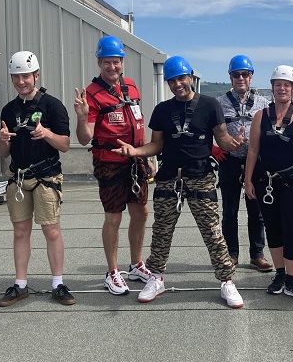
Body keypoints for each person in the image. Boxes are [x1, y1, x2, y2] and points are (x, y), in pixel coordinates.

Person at [115, 56, 248, 309]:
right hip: (169, 178)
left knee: (213, 232)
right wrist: (135, 151)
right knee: (162, 231)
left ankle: (227, 281)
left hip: (201, 176)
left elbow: (222, 140)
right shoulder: (163, 110)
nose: (177, 84)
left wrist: (235, 143)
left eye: (181, 78)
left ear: (190, 78)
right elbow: (156, 144)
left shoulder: (209, 105)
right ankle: (155, 278)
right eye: (172, 80)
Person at [74, 36, 152, 295]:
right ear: (99, 62)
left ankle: (136, 263)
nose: (112, 67)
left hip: (136, 161)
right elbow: (85, 137)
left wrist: (146, 156)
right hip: (110, 164)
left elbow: (138, 124)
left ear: (121, 62)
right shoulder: (92, 94)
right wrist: (83, 116)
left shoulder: (131, 87)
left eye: (116, 62)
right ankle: (112, 271)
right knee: (114, 218)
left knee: (141, 213)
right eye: (106, 62)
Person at [0, 52, 73, 307]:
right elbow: (4, 153)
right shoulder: (9, 109)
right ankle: (20, 285)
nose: (20, 81)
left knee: (51, 230)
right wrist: (3, 141)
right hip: (18, 177)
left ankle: (58, 283)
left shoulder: (52, 105)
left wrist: (47, 133)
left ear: (36, 75)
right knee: (20, 232)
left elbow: (65, 144)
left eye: (25, 76)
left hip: (46, 176)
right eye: (16, 77)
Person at [244, 65, 293, 302]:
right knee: (273, 228)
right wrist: (248, 180)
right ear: (273, 88)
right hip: (266, 181)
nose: (282, 88)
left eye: (287, 85)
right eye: (278, 84)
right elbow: (253, 150)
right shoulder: (261, 116)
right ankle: (279, 274)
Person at [214, 55, 272, 271]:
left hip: (254, 162)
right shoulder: (219, 103)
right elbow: (206, 128)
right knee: (229, 211)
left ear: (251, 76)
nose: (240, 78)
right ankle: (231, 253)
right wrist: (215, 149)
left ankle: (257, 254)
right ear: (230, 77)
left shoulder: (263, 104)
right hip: (229, 161)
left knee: (256, 210)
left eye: (244, 74)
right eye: (236, 74)